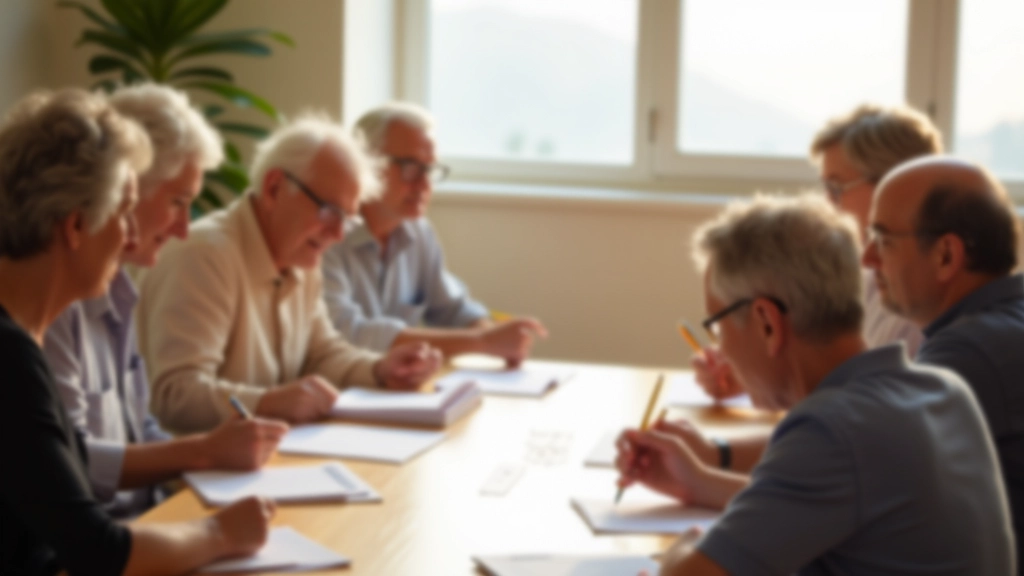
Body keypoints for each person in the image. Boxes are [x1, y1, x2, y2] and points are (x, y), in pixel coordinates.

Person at [616, 194, 1013, 575]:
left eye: (718, 326)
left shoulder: (831, 429)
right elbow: (837, 508)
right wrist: (699, 484)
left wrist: (681, 552)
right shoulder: (942, 389)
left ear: (767, 322)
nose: (720, 347)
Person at [0, 88, 274, 576]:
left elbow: (64, 470)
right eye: (124, 211)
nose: (129, 235)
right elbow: (96, 551)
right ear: (77, 225)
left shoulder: (22, 338)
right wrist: (221, 533)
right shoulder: (9, 357)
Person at [137, 113, 442, 433]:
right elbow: (175, 396)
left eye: (348, 220)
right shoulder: (204, 255)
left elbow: (322, 353)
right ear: (274, 188)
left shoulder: (301, 254)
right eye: (329, 211)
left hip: (258, 463)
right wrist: (267, 403)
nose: (338, 234)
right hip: (189, 477)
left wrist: (380, 369)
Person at [694, 105, 941, 399]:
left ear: (893, 183)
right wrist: (753, 375)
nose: (827, 204)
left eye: (836, 188)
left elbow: (858, 419)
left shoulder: (918, 309)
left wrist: (720, 446)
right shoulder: (867, 278)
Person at [862, 155, 1024, 570]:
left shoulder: (966, 356)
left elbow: (860, 495)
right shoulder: (997, 328)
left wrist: (706, 479)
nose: (868, 258)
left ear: (946, 256)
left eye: (883, 240)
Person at [321, 102, 547, 367]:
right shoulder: (326, 233)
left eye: (429, 170)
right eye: (410, 167)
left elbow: (451, 308)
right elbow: (348, 333)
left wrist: (494, 335)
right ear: (366, 163)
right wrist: (483, 341)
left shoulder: (418, 231)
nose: (424, 184)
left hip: (396, 390)